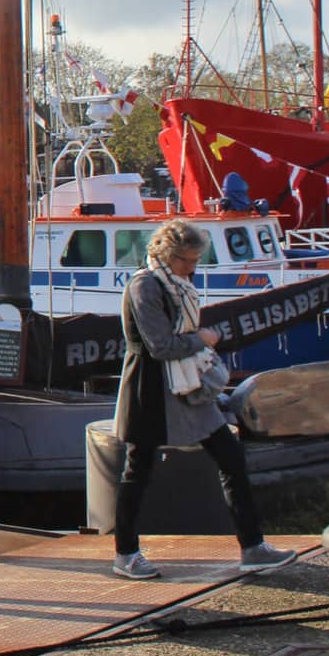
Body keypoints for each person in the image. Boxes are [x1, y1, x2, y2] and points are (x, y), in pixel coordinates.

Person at [111, 219, 294, 579]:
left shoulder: (176, 282)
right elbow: (160, 345)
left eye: (195, 260)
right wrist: (204, 339)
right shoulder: (144, 286)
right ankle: (126, 553)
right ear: (167, 254)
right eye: (186, 260)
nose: (192, 268)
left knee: (231, 456)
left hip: (185, 385)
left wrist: (198, 340)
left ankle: (253, 546)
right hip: (151, 388)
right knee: (138, 469)